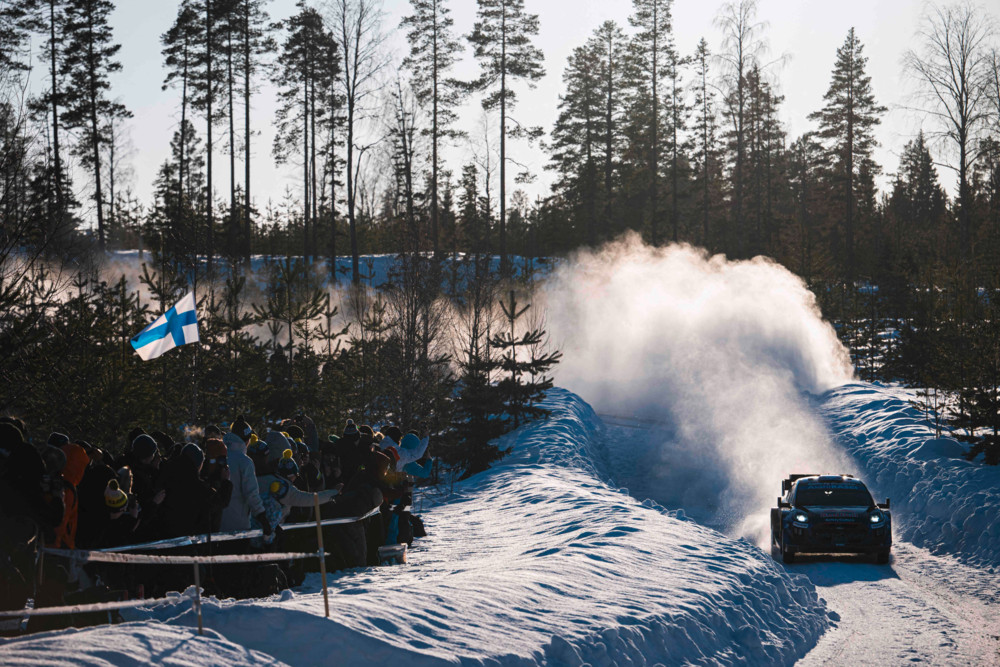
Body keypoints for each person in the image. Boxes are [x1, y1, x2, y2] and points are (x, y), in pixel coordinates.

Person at [219, 431, 271, 535]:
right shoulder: (244, 461)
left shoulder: (219, 456)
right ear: (247, 440)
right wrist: (262, 516)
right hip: (239, 524)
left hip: (218, 523)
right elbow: (251, 493)